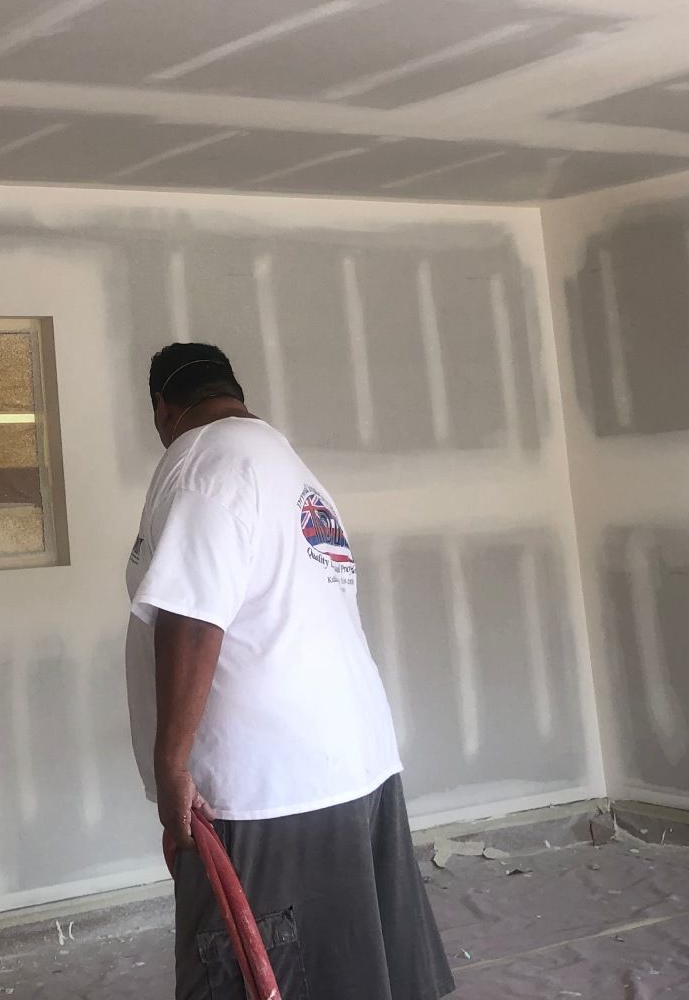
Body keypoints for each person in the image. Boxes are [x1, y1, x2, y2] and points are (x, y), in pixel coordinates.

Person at [125, 342, 454, 1000]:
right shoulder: (285, 465)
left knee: (253, 974)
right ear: (233, 393)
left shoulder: (203, 462)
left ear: (163, 408)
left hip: (264, 792)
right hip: (352, 766)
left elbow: (192, 618)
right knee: (351, 969)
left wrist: (171, 767)